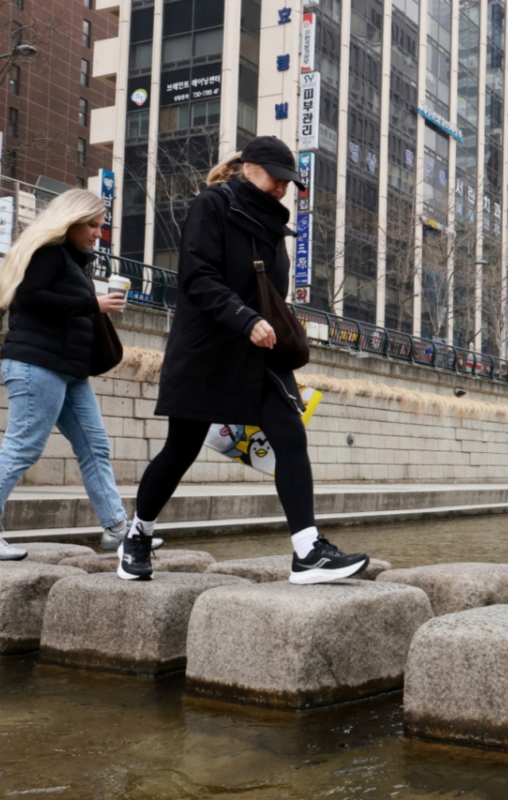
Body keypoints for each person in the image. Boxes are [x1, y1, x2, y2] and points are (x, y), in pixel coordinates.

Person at [122, 136, 369, 583]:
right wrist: (243, 317)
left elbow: (268, 289)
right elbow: (197, 277)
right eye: (278, 179)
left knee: (290, 435)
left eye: (289, 183)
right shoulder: (211, 205)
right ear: (251, 168)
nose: (283, 189)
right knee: (181, 448)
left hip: (258, 352)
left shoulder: (274, 225)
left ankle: (307, 551)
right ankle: (137, 535)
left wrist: (264, 321)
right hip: (207, 348)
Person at [0, 189, 145, 559]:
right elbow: (30, 298)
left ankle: (118, 530)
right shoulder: (49, 253)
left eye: (100, 226)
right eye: (92, 225)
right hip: (36, 365)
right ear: (69, 220)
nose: (97, 233)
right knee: (22, 448)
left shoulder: (73, 262)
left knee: (95, 447)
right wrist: (94, 303)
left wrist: (91, 302)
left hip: (68, 370)